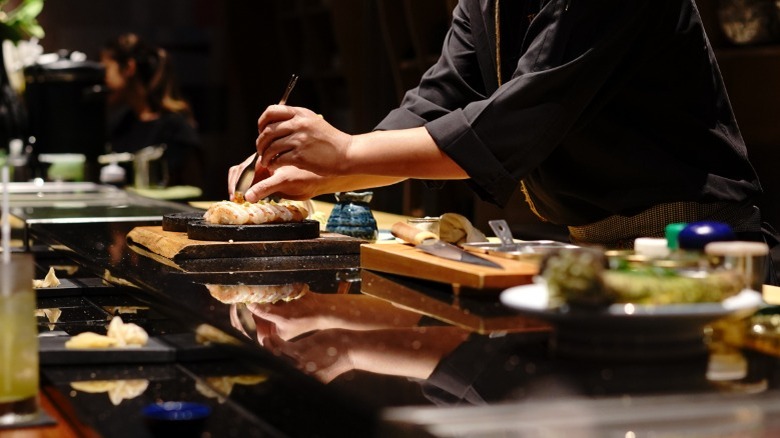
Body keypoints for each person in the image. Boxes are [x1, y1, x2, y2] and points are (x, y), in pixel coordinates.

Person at [229, 1, 778, 280]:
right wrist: (317, 171)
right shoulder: (484, 3)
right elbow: (432, 106)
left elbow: (515, 121)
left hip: (703, 249)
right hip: (598, 251)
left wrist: (344, 153)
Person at [101, 33, 204, 188]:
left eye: (107, 69)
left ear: (129, 68)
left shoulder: (175, 128)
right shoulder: (122, 123)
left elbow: (194, 189)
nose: (103, 79)